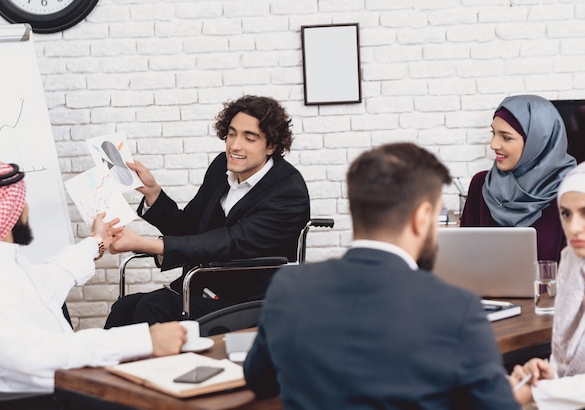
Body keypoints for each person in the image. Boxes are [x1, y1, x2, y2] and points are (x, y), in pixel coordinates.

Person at [243, 143, 520, 409]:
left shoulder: (288, 287)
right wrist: (518, 392)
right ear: (422, 217)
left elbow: (260, 381)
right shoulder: (457, 308)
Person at [0, 159, 186, 410]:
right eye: (19, 200)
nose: (25, 207)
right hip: (61, 399)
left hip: (65, 388)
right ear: (8, 210)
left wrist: (96, 241)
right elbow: (41, 354)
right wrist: (145, 339)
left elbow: (49, 279)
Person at [104, 95, 310, 327]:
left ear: (271, 145)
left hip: (251, 299)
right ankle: (101, 363)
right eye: (231, 134)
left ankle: (147, 365)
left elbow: (230, 241)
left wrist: (145, 244)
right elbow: (190, 228)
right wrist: (153, 192)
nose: (234, 145)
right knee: (125, 307)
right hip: (203, 287)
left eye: (249, 138)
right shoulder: (221, 168)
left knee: (153, 307)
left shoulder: (287, 191)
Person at [460, 94, 576, 262]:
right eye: (493, 133)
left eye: (506, 137)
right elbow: (465, 257)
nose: (493, 145)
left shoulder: (570, 191)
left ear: (537, 141)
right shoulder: (481, 185)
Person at [510, 162, 585, 409]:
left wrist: (537, 394)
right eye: (566, 213)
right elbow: (567, 358)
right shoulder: (571, 262)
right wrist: (546, 375)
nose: (574, 228)